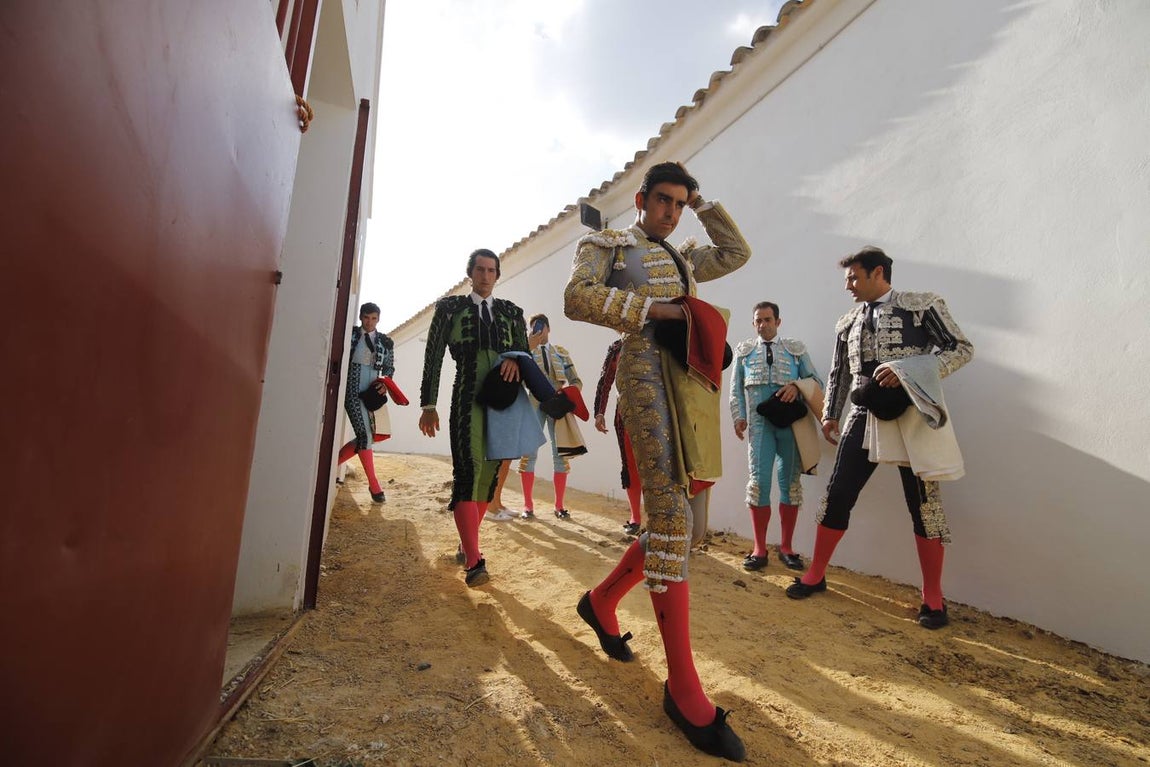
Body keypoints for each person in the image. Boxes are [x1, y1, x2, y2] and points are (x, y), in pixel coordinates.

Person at [564, 161, 750, 761]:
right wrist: (658, 311)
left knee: (677, 522)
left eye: (678, 202)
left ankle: (600, 602)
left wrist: (703, 202)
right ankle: (682, 687)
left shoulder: (687, 254)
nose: (670, 211)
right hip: (644, 377)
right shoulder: (611, 243)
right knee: (671, 514)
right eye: (663, 200)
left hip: (690, 384)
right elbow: (576, 297)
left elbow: (737, 251)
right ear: (641, 200)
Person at [785, 247, 973, 631]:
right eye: (847, 279)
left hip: (913, 408)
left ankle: (933, 598)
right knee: (838, 493)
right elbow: (839, 372)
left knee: (925, 505)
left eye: (854, 277)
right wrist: (829, 415)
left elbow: (960, 348)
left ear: (879, 272)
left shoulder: (919, 305)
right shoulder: (848, 321)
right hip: (864, 410)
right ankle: (816, 573)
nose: (848, 286)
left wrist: (909, 369)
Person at [419, 249, 528, 587]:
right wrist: (428, 404)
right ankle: (475, 562)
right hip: (466, 395)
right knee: (468, 470)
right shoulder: (450, 309)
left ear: (498, 275)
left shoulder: (511, 313)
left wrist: (515, 360)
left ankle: (468, 545)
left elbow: (525, 353)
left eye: (491, 270)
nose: (485, 275)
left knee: (490, 476)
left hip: (503, 398)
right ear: (470, 273)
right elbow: (433, 356)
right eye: (479, 269)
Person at [730, 301, 822, 571]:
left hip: (790, 426)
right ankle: (759, 548)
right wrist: (738, 417)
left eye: (768, 320)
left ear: (778, 322)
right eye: (758, 320)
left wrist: (795, 384)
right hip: (759, 427)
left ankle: (787, 547)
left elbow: (816, 382)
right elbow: (735, 388)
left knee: (790, 484)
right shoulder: (745, 352)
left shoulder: (795, 350)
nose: (763, 325)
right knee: (758, 483)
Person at [518, 314, 583, 520]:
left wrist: (568, 396)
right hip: (534, 401)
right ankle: (528, 506)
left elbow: (576, 381)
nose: (535, 331)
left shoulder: (561, 353)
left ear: (547, 328)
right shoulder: (525, 352)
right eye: (532, 328)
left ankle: (559, 505)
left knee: (561, 454)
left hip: (557, 399)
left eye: (539, 327)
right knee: (529, 453)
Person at [338, 302, 393, 503]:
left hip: (371, 393)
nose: (370, 322)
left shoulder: (385, 342)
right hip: (352, 390)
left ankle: (330, 465)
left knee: (367, 436)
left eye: (374, 318)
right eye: (366, 318)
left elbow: (389, 369)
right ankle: (374, 485)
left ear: (378, 319)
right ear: (361, 317)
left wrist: (386, 385)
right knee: (365, 435)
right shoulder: (350, 334)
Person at [593, 338, 643, 536]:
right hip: (626, 414)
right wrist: (600, 412)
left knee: (655, 466)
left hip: (656, 414)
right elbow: (605, 380)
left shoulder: (655, 339)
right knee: (630, 464)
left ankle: (657, 518)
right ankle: (635, 517)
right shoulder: (617, 347)